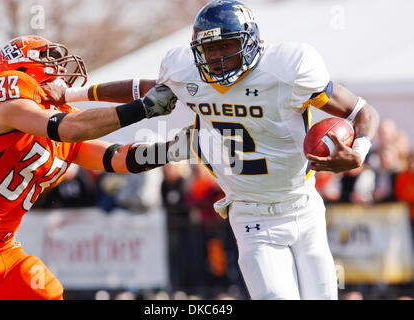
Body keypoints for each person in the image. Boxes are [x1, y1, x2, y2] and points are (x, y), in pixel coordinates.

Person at [43, 0, 380, 300]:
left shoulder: (288, 68)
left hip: (304, 205)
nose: (218, 58)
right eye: (209, 50)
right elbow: (141, 88)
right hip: (251, 215)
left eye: (228, 45)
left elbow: (363, 111)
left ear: (251, 42)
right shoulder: (186, 72)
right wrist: (72, 96)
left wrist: (360, 151)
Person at [0, 35, 182, 300]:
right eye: (46, 59)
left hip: (2, 248)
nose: (58, 68)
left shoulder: (63, 122)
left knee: (47, 292)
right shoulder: (7, 104)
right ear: (18, 67)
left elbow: (118, 158)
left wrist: (176, 148)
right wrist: (142, 108)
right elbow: (68, 128)